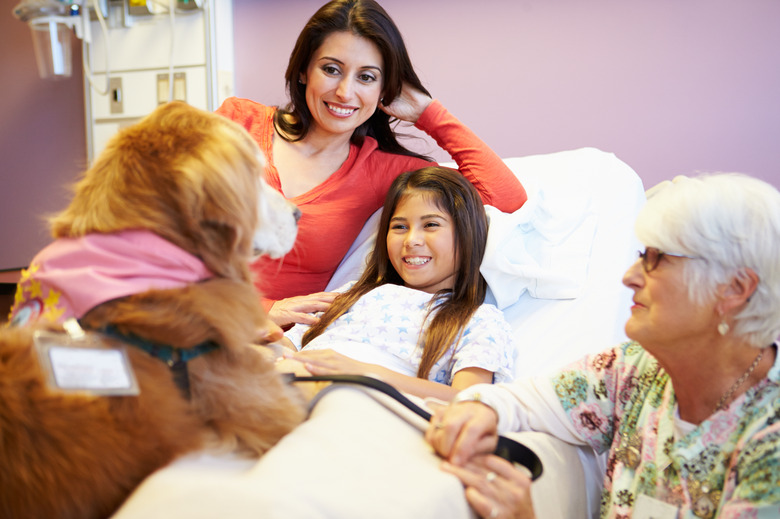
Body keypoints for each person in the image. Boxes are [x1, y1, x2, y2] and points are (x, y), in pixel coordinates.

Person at [425, 173, 780, 518]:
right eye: (642, 255)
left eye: (657, 259)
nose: (630, 276)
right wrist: (478, 411)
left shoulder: (771, 441)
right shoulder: (634, 369)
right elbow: (521, 402)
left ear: (735, 288)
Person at [216, 0, 527, 328]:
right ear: (304, 70)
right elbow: (164, 223)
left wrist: (428, 113)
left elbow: (504, 197)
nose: (344, 92)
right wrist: (264, 309)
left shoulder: (383, 171)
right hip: (190, 314)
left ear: (385, 91)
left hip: (272, 346)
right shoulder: (238, 122)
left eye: (366, 77)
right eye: (331, 69)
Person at [277, 167, 516, 401]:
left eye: (431, 224)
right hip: (291, 381)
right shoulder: (352, 294)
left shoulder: (478, 319)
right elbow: (287, 346)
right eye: (400, 227)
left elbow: (471, 401)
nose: (412, 240)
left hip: (366, 400)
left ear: (467, 234)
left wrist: (366, 372)